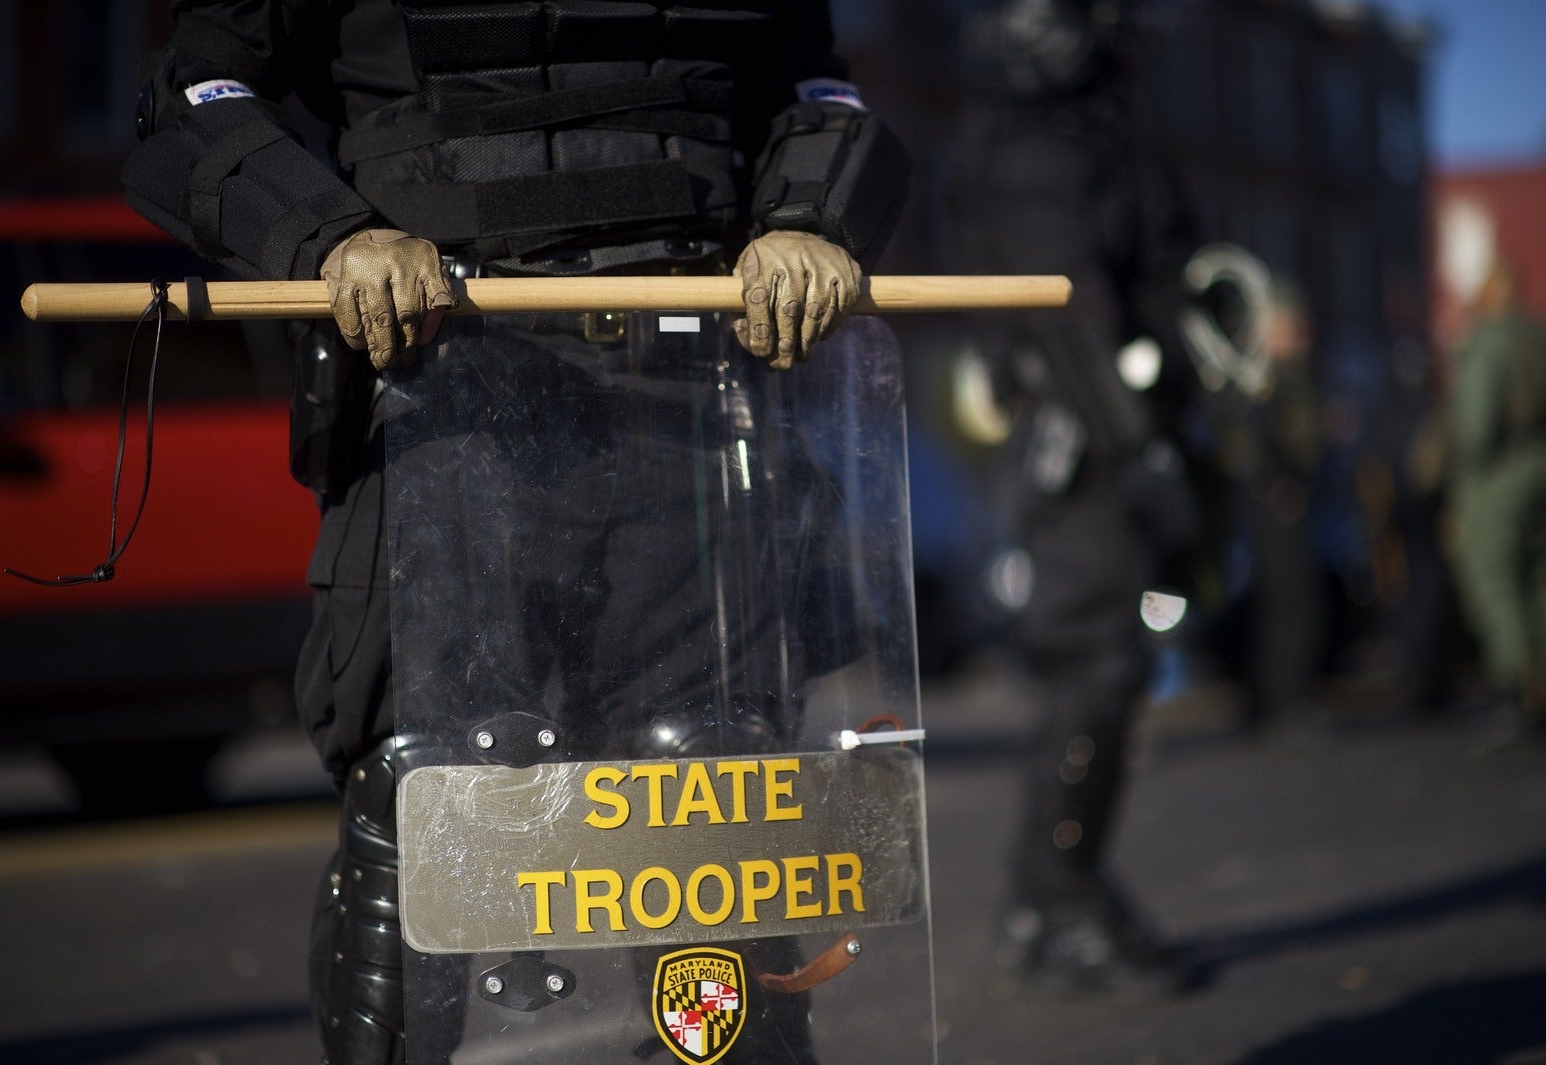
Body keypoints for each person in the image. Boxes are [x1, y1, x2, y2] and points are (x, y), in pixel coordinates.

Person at [123, 3, 909, 1061]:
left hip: (686, 398)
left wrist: (810, 216)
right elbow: (193, 95)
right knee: (422, 797)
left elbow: (816, 92)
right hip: (438, 391)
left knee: (709, 795)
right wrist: (331, 234)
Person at [946, 0, 1198, 995]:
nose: (1121, 28)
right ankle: (1058, 902)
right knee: (1098, 661)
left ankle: (1052, 893)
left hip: (1104, 438)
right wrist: (1140, 448)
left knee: (1104, 666)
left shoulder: (1070, 138)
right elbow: (1067, 316)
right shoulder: (1038, 152)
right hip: (1085, 448)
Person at [1212, 280, 1328, 729]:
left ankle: (1282, 696)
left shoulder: (1280, 375)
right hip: (1275, 501)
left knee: (1288, 601)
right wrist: (1276, 483)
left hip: (1282, 496)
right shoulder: (1262, 380)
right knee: (1286, 602)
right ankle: (1282, 698)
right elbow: (1256, 443)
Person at [1446, 257, 1546, 740]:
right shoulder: (1536, 337)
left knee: (1494, 585)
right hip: (1538, 465)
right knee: (1537, 582)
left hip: (1498, 477)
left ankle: (1514, 689)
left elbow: (1476, 428)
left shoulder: (1488, 343)